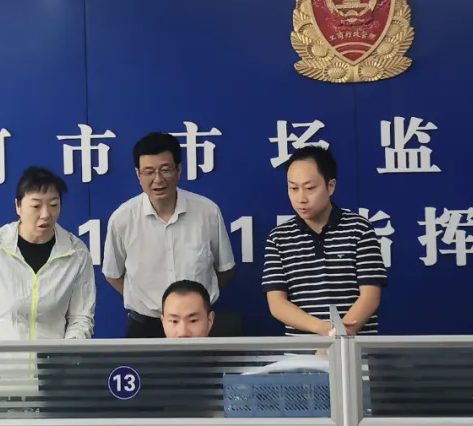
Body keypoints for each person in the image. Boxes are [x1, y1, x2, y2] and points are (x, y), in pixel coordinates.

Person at [103, 132, 236, 338]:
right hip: (145, 326)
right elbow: (113, 274)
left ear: (179, 169)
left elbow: (225, 269)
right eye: (148, 172)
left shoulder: (207, 212)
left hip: (197, 326)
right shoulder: (122, 219)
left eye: (165, 170)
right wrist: (144, 301)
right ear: (138, 175)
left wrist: (195, 305)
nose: (158, 179)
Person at [0, 167, 95, 340]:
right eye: (36, 206)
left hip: (53, 356)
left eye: (54, 205)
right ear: (18, 206)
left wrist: (68, 349)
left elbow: (81, 318)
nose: (46, 214)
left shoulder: (76, 253)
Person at [262, 145, 386, 335]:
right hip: (303, 350)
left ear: (331, 186)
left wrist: (338, 339)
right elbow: (277, 303)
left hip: (354, 349)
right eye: (293, 188)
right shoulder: (279, 237)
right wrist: (324, 331)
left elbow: (370, 297)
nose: (301, 198)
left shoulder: (359, 229)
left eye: (310, 188)